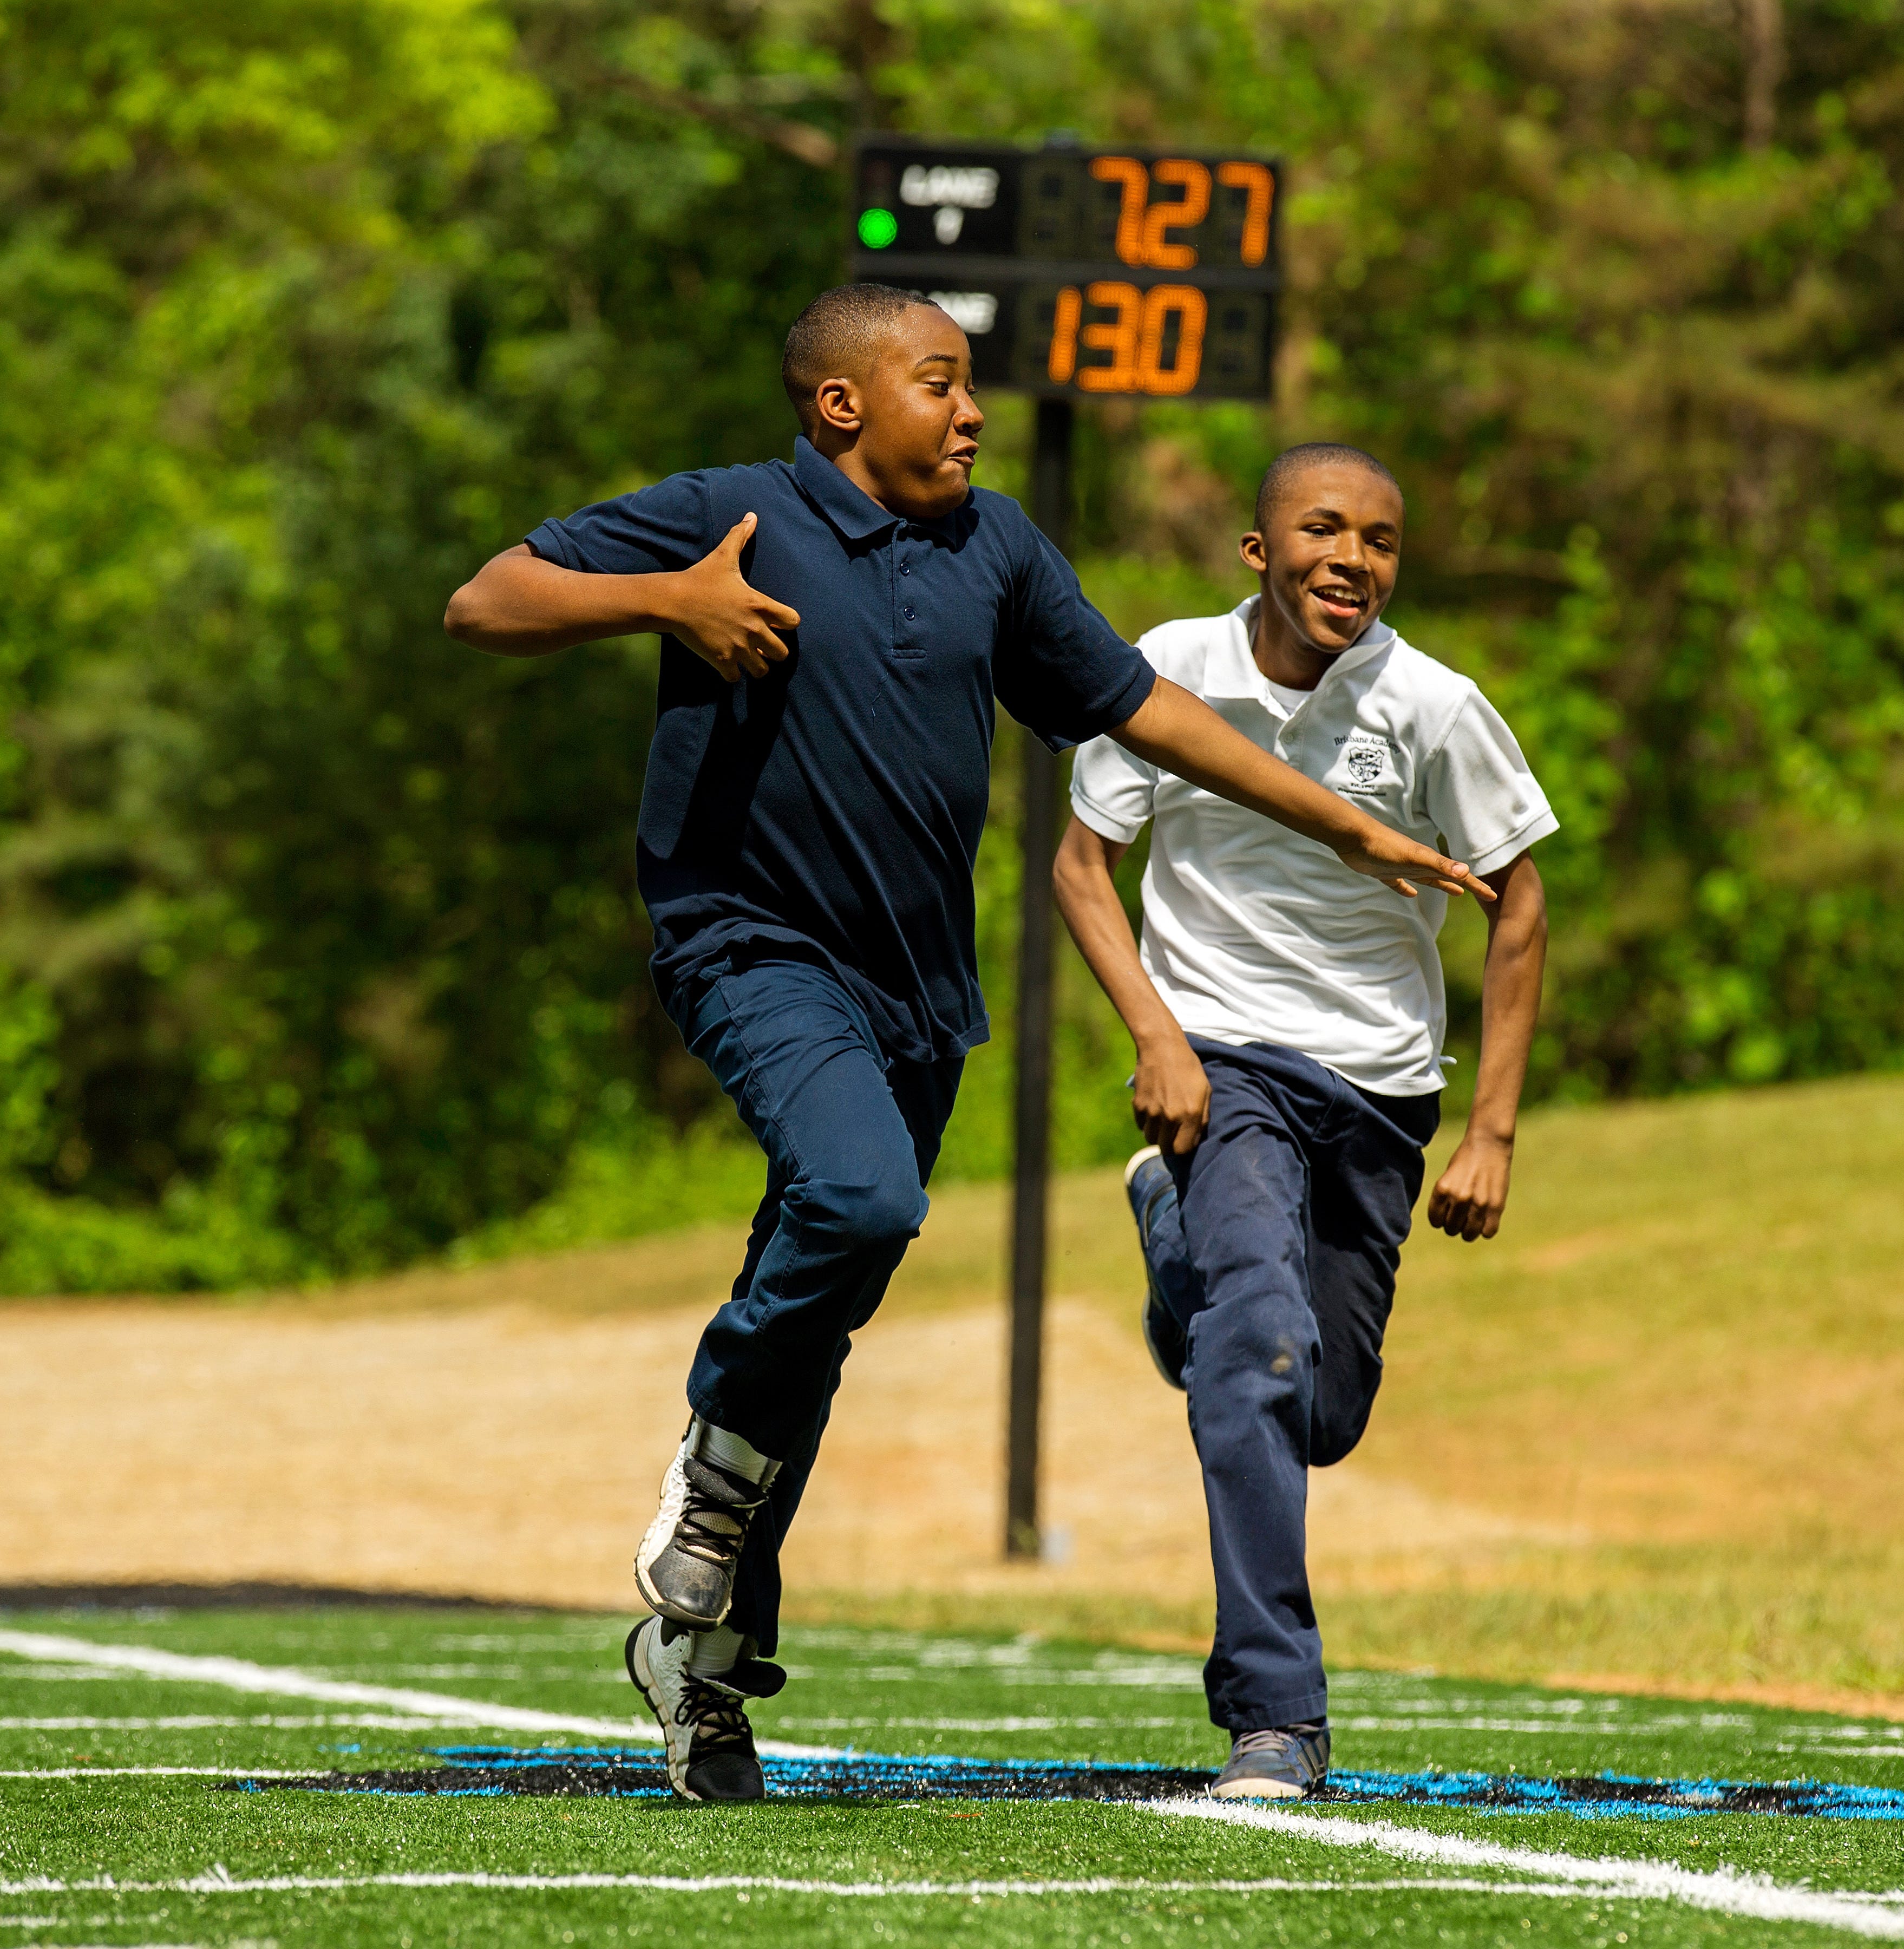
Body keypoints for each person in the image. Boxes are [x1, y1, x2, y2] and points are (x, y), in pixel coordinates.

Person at [443, 293, 1500, 1801]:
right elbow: (486, 600)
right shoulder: (729, 515)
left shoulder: (995, 548)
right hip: (751, 946)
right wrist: (668, 605)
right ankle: (716, 1476)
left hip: (916, 995)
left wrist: (1345, 823)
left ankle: (711, 1655)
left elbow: (1147, 710)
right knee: (864, 1199)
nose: (975, 410)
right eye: (942, 383)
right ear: (842, 407)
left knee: (813, 1317)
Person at [1053, 442, 1556, 1800]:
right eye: (1324, 530)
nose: (1355, 559)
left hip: (1381, 1094)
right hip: (1224, 1067)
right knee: (1260, 1352)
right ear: (1257, 551)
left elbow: (1521, 909)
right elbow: (1081, 867)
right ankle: (1275, 1715)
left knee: (1318, 1415)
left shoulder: (1437, 707)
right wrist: (1158, 1036)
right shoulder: (1166, 668)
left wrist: (1492, 1129)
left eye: (1382, 540)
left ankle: (1175, 1247)